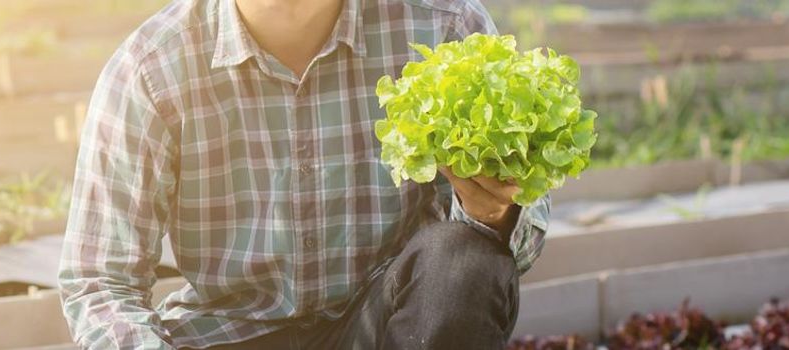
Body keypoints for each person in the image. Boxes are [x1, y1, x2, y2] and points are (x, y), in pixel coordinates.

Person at [57, 0, 550, 348]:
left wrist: (497, 212)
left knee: (463, 259)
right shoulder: (151, 68)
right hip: (230, 332)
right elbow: (100, 280)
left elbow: (515, 247)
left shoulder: (444, 27)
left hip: (383, 324)